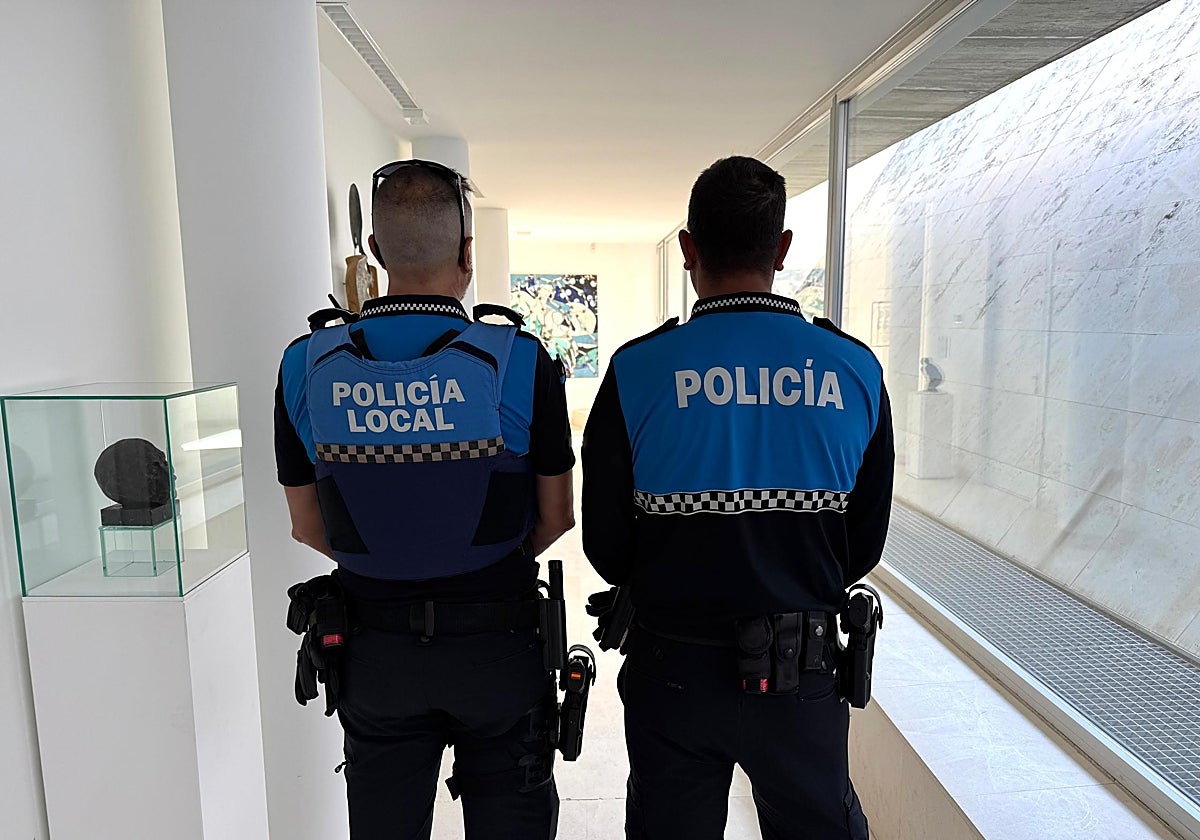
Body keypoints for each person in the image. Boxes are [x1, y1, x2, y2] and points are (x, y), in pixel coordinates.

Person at [582, 156, 893, 840]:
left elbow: (605, 544)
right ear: (781, 250)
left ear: (688, 248)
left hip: (672, 671)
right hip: (801, 672)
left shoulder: (637, 370)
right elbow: (863, 542)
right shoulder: (854, 369)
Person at [274, 159, 576, 840]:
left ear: (374, 251)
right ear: (468, 252)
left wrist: (389, 560)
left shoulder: (305, 362)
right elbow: (557, 515)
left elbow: (307, 525)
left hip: (373, 652)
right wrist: (487, 565)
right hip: (499, 648)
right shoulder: (520, 359)